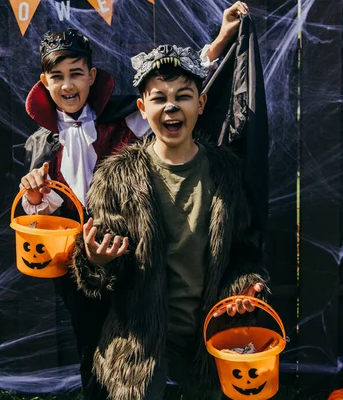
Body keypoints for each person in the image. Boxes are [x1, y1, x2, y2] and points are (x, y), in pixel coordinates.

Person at [18, 3, 252, 400]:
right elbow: (43, 213)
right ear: (45, 82)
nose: (68, 84)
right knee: (92, 340)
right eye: (57, 77)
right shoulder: (42, 143)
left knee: (140, 327)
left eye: (76, 73)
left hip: (132, 238)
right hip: (81, 255)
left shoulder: (126, 117)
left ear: (92, 77)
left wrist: (220, 40)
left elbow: (181, 90)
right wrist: (38, 198)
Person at [69, 41, 269, 400]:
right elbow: (100, 272)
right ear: (143, 109)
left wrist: (246, 286)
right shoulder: (117, 178)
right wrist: (96, 261)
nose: (171, 106)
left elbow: (244, 250)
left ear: (201, 103)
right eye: (159, 98)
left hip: (209, 340)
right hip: (139, 346)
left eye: (183, 95)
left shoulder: (227, 174)